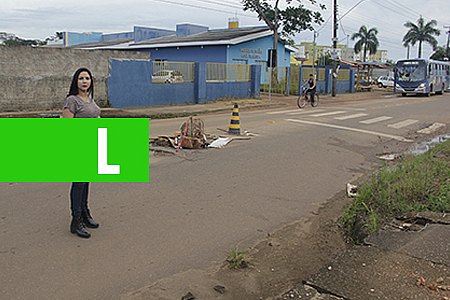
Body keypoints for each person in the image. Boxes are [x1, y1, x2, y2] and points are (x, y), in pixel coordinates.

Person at [62, 67, 100, 238]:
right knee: (78, 183)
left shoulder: (90, 100)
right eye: (81, 78)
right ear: (75, 82)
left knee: (85, 182)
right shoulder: (72, 101)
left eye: (87, 78)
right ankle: (76, 220)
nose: (84, 81)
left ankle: (85, 213)